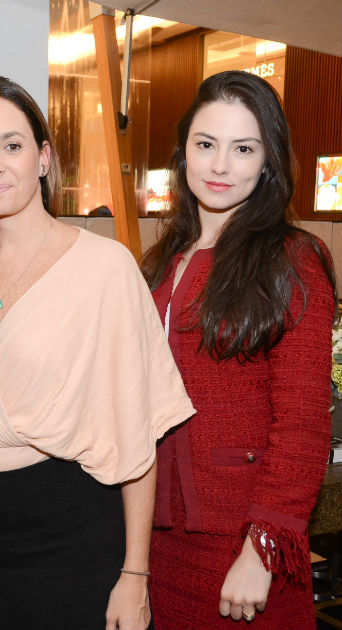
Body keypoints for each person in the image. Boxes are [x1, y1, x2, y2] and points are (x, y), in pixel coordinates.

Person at [0, 75, 195, 630]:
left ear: (44, 158)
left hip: (74, 543)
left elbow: (136, 435)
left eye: (12, 145)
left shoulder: (105, 268)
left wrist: (135, 574)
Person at [141, 70, 337, 629]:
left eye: (243, 148)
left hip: (243, 542)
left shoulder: (292, 259)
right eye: (206, 145)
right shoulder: (162, 262)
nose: (221, 165)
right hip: (156, 537)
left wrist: (262, 549)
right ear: (184, 152)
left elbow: (302, 425)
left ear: (268, 159)